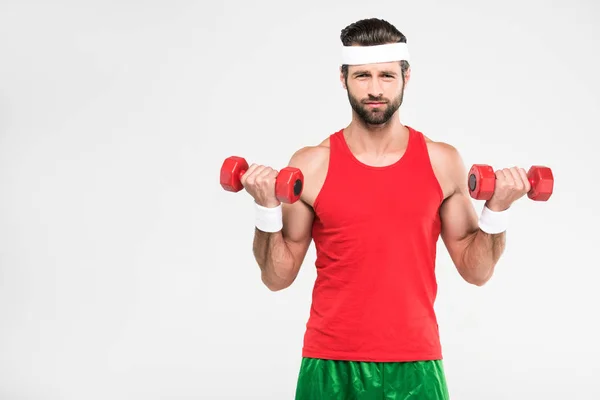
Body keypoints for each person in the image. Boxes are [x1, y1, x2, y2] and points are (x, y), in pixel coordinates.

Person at [241, 18, 531, 399]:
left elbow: (476, 271)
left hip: (416, 363)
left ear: (406, 78)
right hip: (330, 362)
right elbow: (277, 278)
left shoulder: (442, 162)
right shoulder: (311, 165)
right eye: (362, 76)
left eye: (386, 76)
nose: (374, 89)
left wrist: (497, 210)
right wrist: (267, 209)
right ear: (342, 78)